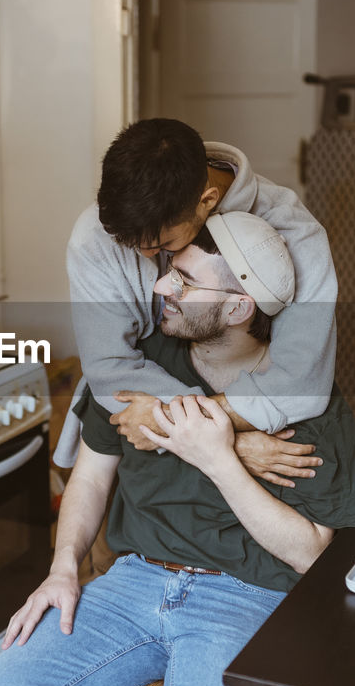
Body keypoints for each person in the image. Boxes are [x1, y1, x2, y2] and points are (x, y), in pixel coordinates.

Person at [0, 213, 355, 686]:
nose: (160, 288)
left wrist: (220, 459)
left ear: (238, 307)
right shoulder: (139, 365)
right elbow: (91, 473)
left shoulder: (306, 399)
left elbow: (310, 553)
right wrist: (62, 567)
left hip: (246, 600)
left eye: (184, 281)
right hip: (133, 583)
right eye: (168, 272)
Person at [59, 118, 338, 487]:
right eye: (132, 246)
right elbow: (111, 366)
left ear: (207, 200)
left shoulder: (295, 233)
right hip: (134, 429)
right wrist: (229, 443)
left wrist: (183, 425)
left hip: (269, 437)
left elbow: (301, 381)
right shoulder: (93, 236)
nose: (146, 258)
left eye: (161, 245)